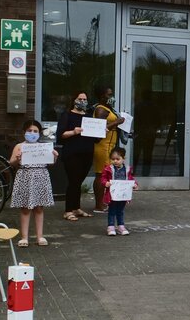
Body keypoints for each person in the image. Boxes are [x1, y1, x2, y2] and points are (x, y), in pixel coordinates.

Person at [9, 120, 58, 247]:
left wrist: (55, 157)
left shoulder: (43, 147)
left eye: (35, 131)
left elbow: (51, 163)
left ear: (39, 133)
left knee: (39, 208)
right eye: (29, 131)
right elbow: (12, 163)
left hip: (40, 177)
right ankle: (24, 237)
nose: (32, 133)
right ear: (24, 132)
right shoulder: (19, 146)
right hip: (24, 177)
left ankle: (40, 236)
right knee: (25, 208)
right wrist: (17, 158)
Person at [56, 91, 96, 222]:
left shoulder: (89, 117)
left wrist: (101, 130)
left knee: (79, 182)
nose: (83, 101)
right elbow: (61, 135)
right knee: (73, 181)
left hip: (87, 154)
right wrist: (74, 132)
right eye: (80, 99)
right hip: (72, 154)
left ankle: (76, 207)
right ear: (74, 100)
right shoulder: (67, 115)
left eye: (85, 99)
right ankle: (68, 210)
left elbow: (96, 138)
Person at [92, 86, 125, 213]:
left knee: (106, 174)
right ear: (101, 96)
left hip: (109, 145)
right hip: (102, 145)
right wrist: (117, 122)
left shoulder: (108, 109)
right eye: (109, 95)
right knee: (101, 174)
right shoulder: (100, 109)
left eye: (112, 94)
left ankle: (104, 202)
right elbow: (99, 128)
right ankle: (98, 205)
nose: (111, 97)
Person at [100, 147, 138, 236]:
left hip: (123, 195)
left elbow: (130, 178)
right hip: (112, 195)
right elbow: (103, 178)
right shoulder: (108, 169)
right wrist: (106, 183)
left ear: (123, 159)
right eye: (113, 159)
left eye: (118, 159)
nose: (115, 161)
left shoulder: (127, 169)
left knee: (120, 210)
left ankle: (121, 226)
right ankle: (111, 226)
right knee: (112, 210)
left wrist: (134, 184)